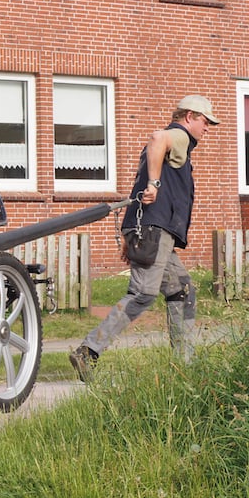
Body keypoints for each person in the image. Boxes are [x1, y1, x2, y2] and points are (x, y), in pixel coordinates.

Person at [69, 95, 220, 382]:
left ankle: (184, 365)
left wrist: (130, 232)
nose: (207, 128)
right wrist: (154, 184)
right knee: (143, 293)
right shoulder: (178, 136)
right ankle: (88, 351)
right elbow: (156, 138)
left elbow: (142, 184)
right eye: (205, 121)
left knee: (183, 290)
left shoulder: (173, 147)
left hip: (149, 229)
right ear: (189, 116)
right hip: (154, 229)